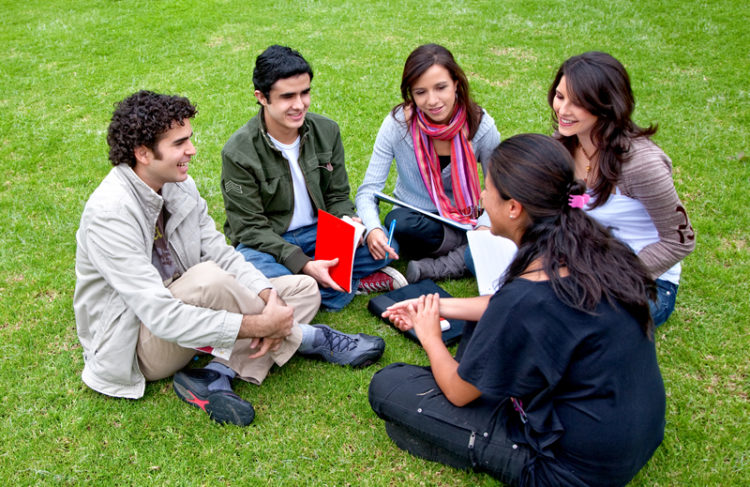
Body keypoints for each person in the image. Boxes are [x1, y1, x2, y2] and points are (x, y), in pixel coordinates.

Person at [74, 91, 385, 427]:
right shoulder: (111, 213)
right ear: (143, 153)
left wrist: (269, 297)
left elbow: (222, 253)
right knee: (209, 279)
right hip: (137, 344)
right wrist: (260, 324)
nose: (191, 150)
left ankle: (214, 373)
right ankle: (308, 338)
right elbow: (161, 315)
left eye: (189, 140)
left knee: (302, 290)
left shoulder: (179, 186)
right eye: (179, 144)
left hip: (193, 315)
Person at [369, 134, 666, 485]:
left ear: (514, 208)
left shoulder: (527, 296)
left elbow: (459, 392)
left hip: (567, 470)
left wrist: (430, 334)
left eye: (488, 188)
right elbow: (510, 310)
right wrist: (436, 306)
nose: (481, 196)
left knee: (389, 385)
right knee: (481, 334)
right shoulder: (597, 248)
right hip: (637, 433)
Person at [221, 45, 406, 311]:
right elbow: (249, 228)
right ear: (261, 97)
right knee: (247, 267)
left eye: (304, 92)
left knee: (385, 244)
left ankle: (306, 289)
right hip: (271, 243)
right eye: (287, 96)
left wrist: (349, 224)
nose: (299, 105)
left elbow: (338, 196)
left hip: (321, 235)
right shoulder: (238, 152)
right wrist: (304, 263)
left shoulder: (326, 130)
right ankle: (340, 286)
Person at [548, 51, 695, 326]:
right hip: (583, 259)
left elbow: (680, 241)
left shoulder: (642, 165)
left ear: (606, 104)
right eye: (560, 96)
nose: (563, 110)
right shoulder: (564, 143)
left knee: (576, 323)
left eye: (577, 102)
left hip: (642, 279)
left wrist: (611, 274)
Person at [355, 43, 501, 283]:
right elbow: (368, 191)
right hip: (415, 219)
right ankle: (466, 248)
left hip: (464, 217)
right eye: (420, 92)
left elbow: (499, 189)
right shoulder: (397, 125)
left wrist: (484, 227)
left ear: (456, 83)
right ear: (410, 93)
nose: (432, 100)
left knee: (509, 226)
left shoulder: (482, 126)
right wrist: (373, 229)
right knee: (397, 223)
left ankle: (446, 262)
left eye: (441, 88)